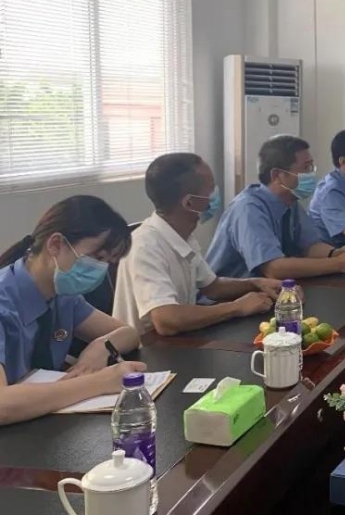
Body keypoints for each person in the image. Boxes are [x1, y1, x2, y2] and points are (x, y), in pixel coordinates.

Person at [0, 196, 144, 425]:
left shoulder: (62, 296)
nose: (101, 269)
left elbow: (129, 333)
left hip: (40, 426)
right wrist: (100, 382)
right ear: (56, 245)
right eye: (97, 258)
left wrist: (101, 346)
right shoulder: (5, 301)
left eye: (108, 262)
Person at [115, 153, 283, 336]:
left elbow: (213, 287)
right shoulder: (145, 245)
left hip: (179, 342)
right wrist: (236, 307)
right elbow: (166, 320)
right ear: (189, 202)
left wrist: (255, 283)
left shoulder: (182, 235)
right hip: (146, 349)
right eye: (211, 189)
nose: (216, 194)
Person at [206, 135, 345, 280]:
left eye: (312, 167)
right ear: (277, 175)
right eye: (306, 168)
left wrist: (337, 253)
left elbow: (309, 246)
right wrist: (338, 264)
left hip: (267, 292)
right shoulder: (249, 208)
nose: (312, 174)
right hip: (228, 300)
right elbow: (273, 268)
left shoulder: (290, 201)